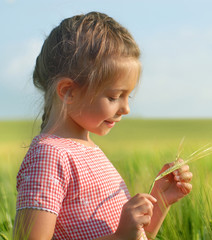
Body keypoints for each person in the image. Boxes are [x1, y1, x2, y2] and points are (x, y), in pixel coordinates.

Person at [13, 11, 193, 240]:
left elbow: (136, 236)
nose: (126, 108)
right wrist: (118, 237)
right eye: (114, 96)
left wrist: (161, 199)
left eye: (128, 97)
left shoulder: (89, 150)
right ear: (68, 91)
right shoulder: (49, 156)